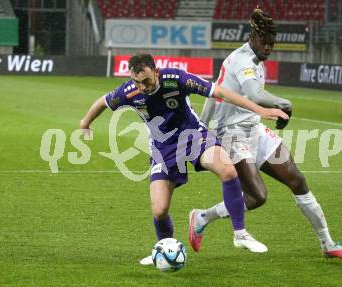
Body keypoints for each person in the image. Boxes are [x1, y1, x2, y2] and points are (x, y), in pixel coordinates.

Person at [79, 54, 288, 265]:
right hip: (163, 149)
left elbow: (221, 93)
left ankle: (240, 234)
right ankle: (163, 248)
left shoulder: (176, 79)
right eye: (136, 82)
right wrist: (85, 122)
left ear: (156, 72)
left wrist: (261, 110)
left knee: (227, 170)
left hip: (194, 136)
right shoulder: (128, 92)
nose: (142, 87)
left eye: (146, 81)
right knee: (159, 210)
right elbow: (102, 102)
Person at [189, 9, 342, 261]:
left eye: (271, 44)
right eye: (264, 43)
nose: (268, 48)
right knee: (257, 197)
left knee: (297, 180)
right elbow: (255, 95)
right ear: (253, 37)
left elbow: (217, 91)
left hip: (255, 129)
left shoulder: (250, 59)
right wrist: (283, 103)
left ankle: (328, 244)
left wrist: (203, 123)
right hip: (233, 135)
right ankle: (202, 216)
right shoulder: (243, 61)